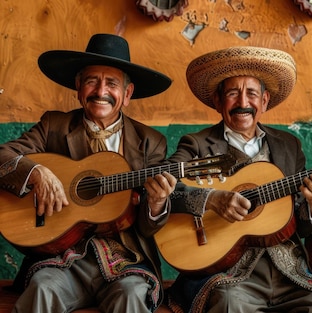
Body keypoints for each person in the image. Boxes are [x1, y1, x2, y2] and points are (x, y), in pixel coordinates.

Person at [0, 33, 178, 313]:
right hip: (61, 256)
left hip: (125, 259)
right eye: (92, 80)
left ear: (127, 94)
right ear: (79, 86)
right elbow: (4, 156)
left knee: (132, 295)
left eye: (112, 83)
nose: (100, 91)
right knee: (43, 288)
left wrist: (156, 203)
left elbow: (146, 226)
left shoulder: (150, 141)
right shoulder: (54, 125)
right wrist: (36, 171)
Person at [165, 46, 312, 313]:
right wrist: (212, 199)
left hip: (286, 271)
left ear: (265, 101)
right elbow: (165, 185)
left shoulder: (289, 146)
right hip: (228, 269)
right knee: (229, 303)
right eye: (233, 93)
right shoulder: (197, 144)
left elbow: (301, 226)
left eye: (252, 93)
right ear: (219, 100)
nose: (243, 102)